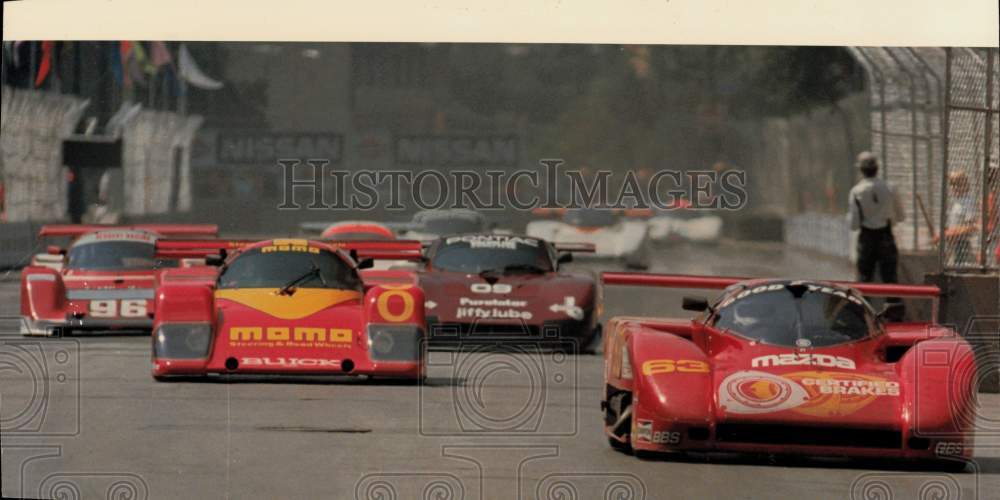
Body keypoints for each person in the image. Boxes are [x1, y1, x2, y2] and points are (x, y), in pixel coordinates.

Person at [847, 152, 905, 284]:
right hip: (886, 235)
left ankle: (863, 304)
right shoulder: (890, 188)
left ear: (861, 170)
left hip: (866, 238)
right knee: (890, 278)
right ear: (877, 168)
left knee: (864, 279)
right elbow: (901, 216)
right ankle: (893, 303)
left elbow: (854, 224)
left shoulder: (856, 191)